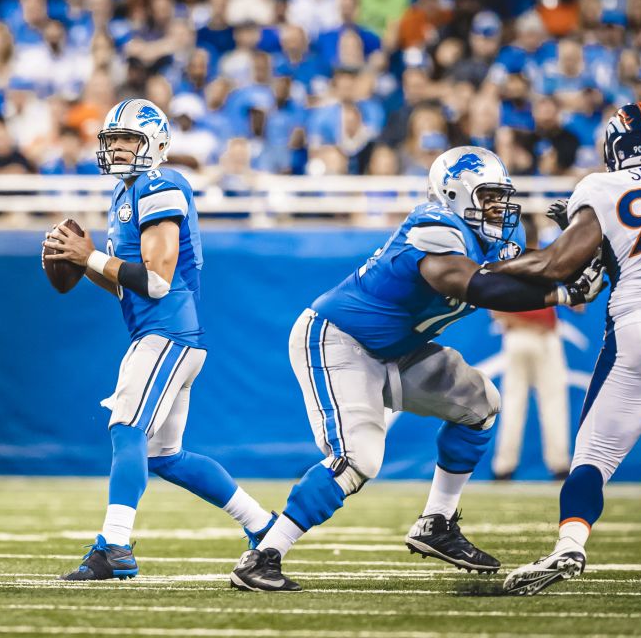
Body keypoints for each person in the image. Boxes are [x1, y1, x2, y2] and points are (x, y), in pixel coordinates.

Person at [229, 146, 606, 592]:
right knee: (358, 458)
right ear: (453, 193)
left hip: (398, 347)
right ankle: (264, 555)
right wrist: (562, 292)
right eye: (487, 196)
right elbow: (475, 283)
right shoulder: (434, 224)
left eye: (501, 196)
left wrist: (571, 256)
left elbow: (518, 269)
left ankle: (437, 522)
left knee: (480, 403)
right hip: (340, 337)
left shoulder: (495, 238)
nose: (498, 207)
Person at [42, 98, 277, 581]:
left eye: (130, 140)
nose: (120, 150)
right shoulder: (128, 193)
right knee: (164, 456)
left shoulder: (160, 183)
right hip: (168, 334)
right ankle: (264, 525)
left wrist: (89, 254)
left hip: (166, 331)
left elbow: (155, 281)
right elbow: (122, 282)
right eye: (114, 141)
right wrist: (83, 260)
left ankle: (115, 546)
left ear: (157, 144)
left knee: (126, 430)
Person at [498, 102, 641, 595]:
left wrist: (490, 272)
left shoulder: (602, 188)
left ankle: (570, 546)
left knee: (593, 458)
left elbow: (559, 265)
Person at [490, 303, 571, 481]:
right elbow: (578, 304)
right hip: (542, 336)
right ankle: (560, 466)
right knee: (553, 403)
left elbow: (495, 309)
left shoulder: (506, 274)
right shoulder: (550, 273)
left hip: (518, 336)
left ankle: (503, 468)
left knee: (513, 405)